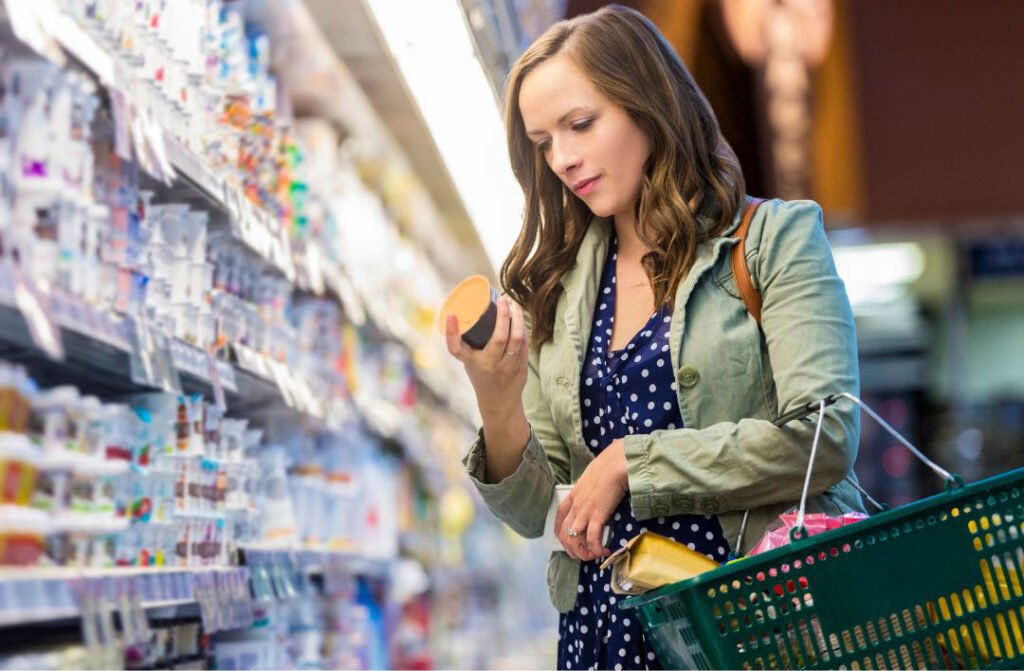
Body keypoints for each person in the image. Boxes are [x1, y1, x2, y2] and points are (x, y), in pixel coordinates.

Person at [444, 5, 864, 670]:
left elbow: (825, 433)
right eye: (543, 141)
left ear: (648, 105)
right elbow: (533, 511)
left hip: (752, 619)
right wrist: (495, 399)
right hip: (606, 629)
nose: (564, 158)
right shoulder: (563, 287)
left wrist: (628, 464)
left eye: (581, 124)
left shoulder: (774, 242)